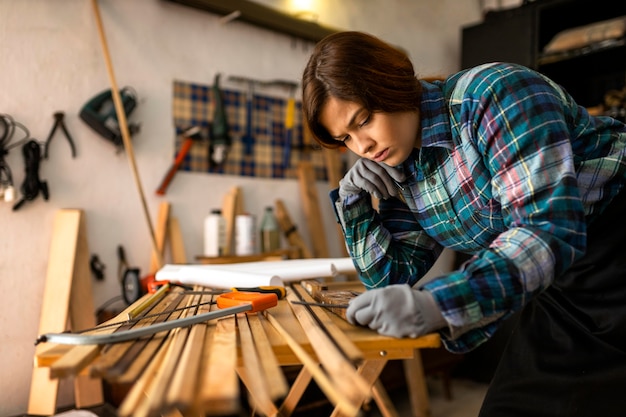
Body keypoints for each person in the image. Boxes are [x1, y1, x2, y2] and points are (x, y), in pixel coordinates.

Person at [301, 31, 626, 417]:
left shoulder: (494, 94)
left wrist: (439, 304)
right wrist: (354, 201)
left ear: (394, 83)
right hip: (564, 278)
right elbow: (388, 282)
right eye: (346, 138)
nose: (363, 147)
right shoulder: (400, 163)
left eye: (365, 120)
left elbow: (547, 230)